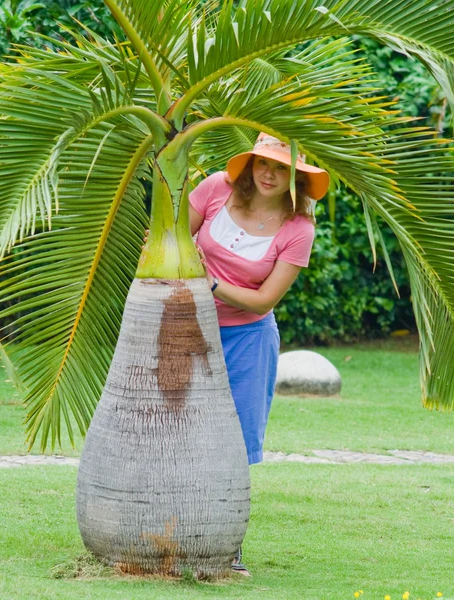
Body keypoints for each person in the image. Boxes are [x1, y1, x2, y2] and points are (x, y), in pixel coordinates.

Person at [188, 133, 329, 575]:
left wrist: (206, 281)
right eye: (262, 163)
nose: (270, 174)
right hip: (185, 327)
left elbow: (264, 300)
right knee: (180, 432)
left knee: (234, 442)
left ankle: (227, 544)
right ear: (248, 165)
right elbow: (170, 238)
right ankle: (171, 529)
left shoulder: (298, 230)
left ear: (297, 178)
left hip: (248, 339)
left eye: (282, 167)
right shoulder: (215, 189)